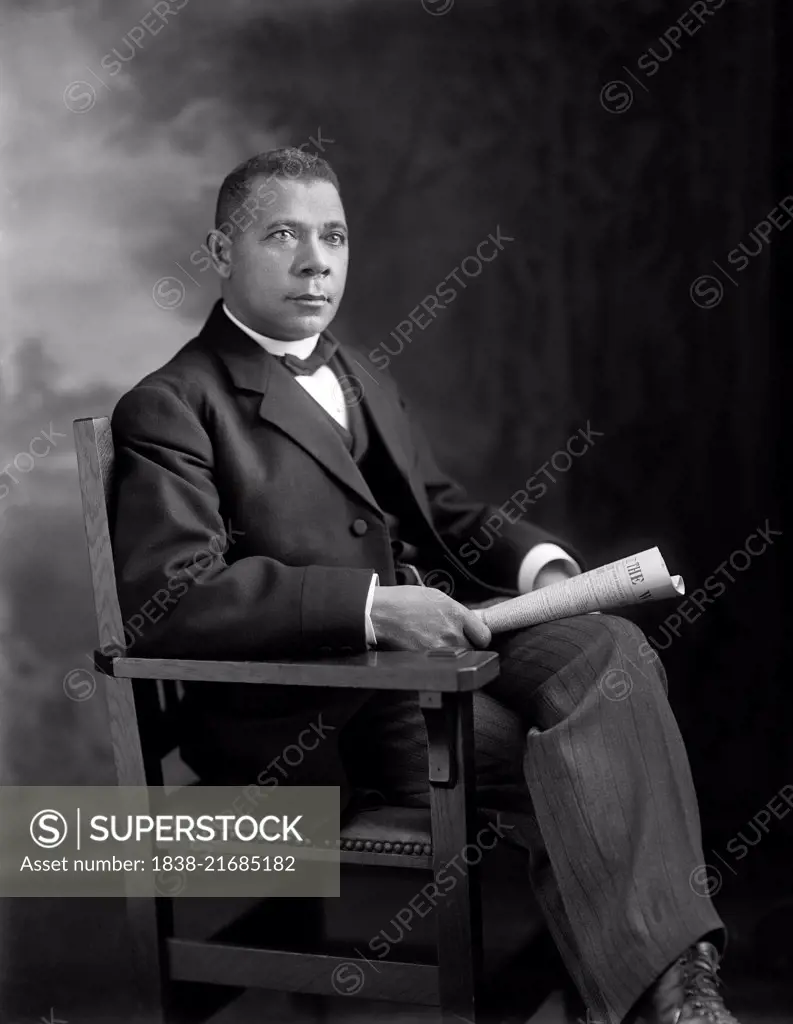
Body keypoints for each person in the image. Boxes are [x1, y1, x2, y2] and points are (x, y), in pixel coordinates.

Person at [110, 147, 741, 1023]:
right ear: (221, 251)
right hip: (319, 712)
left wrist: (544, 569)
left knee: (612, 651)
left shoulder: (358, 371)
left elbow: (440, 514)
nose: (315, 261)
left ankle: (663, 995)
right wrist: (372, 610)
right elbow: (170, 599)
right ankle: (673, 997)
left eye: (332, 236)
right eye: (282, 235)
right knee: (593, 761)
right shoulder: (169, 404)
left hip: (444, 659)